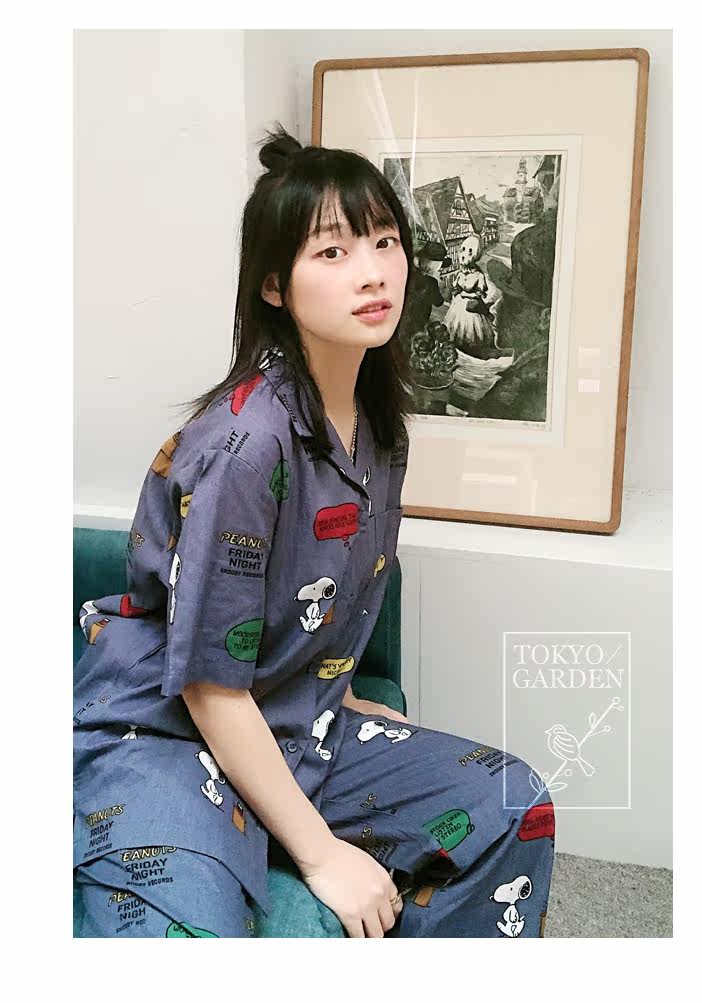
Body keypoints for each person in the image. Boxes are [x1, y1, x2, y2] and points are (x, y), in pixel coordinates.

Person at [73, 122, 556, 938]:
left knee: (514, 805)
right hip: (164, 731)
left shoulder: (382, 430)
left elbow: (323, 590)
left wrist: (341, 687)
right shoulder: (245, 445)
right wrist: (323, 852)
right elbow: (208, 684)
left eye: (384, 241)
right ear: (274, 285)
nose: (372, 271)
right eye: (332, 251)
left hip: (301, 719)